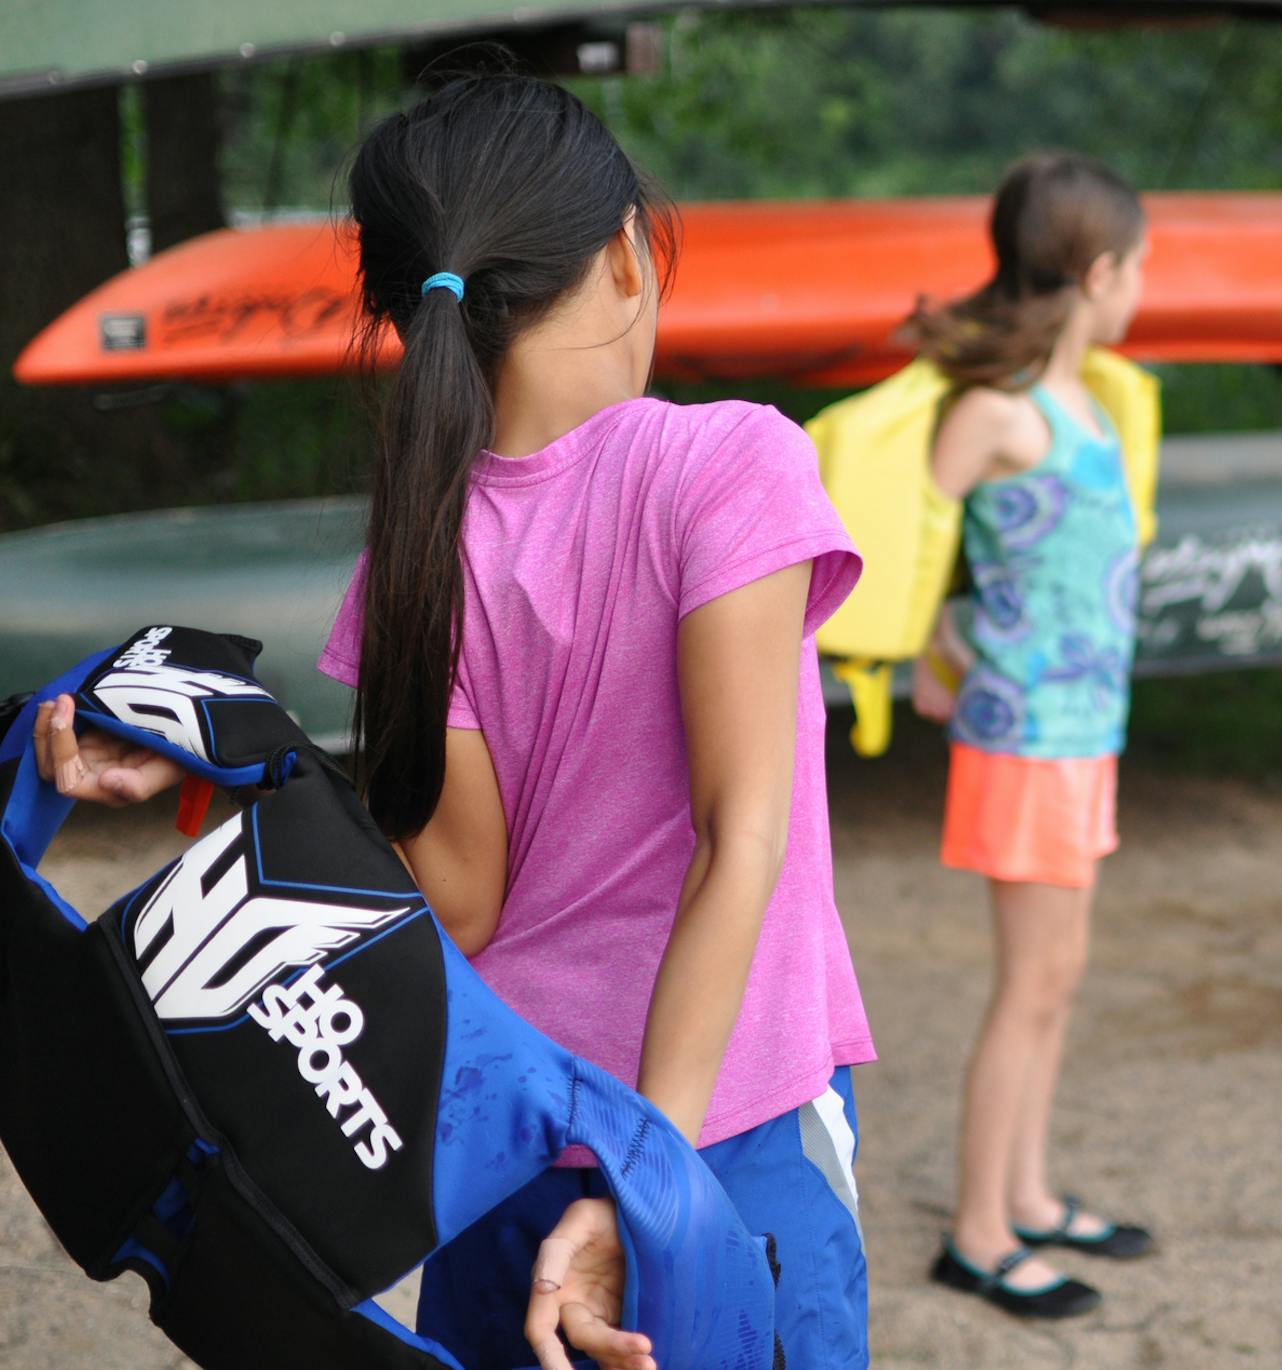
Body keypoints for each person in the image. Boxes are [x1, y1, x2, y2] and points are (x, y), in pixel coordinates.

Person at [37, 69, 882, 1370]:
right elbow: (740, 839)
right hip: (717, 1144)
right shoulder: (729, 462)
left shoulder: (417, 546)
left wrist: (225, 757)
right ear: (626, 253)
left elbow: (463, 901)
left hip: (504, 1153)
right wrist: (650, 1188)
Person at [905, 154, 1154, 1320]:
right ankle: (977, 1232)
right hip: (1026, 743)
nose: (1141, 287)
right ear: (1099, 273)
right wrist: (932, 651)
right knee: (1029, 985)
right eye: (1138, 267)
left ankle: (1029, 1195)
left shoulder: (1091, 404)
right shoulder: (997, 415)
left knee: (1059, 979)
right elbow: (910, 545)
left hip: (1083, 736)